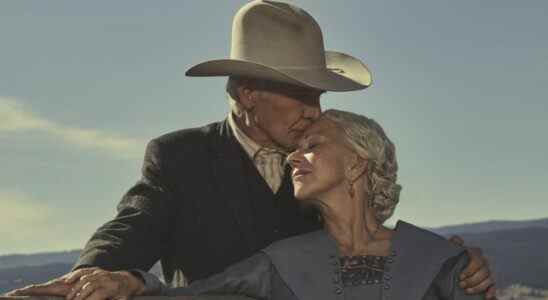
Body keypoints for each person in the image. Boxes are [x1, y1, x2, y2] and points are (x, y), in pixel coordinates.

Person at [4, 1, 496, 299]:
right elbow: (133, 226)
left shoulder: (325, 159)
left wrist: (450, 266)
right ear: (247, 94)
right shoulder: (181, 158)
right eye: (300, 93)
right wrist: (97, 273)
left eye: (319, 94)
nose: (315, 109)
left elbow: (374, 246)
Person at [46, 109, 491, 300]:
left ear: (357, 164)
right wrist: (125, 281)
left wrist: (462, 264)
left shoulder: (440, 260)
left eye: (313, 145)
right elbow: (185, 294)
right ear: (248, 95)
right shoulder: (279, 263)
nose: (295, 154)